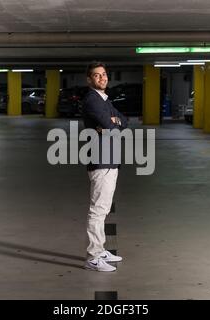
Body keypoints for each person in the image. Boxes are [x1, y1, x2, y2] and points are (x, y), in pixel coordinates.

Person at [82, 61, 128, 272]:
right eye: (97, 75)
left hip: (109, 159)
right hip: (101, 160)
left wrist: (113, 122)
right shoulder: (92, 100)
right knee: (98, 210)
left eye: (104, 74)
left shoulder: (104, 99)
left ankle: (100, 251)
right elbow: (110, 125)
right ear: (89, 79)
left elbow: (124, 121)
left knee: (104, 208)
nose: (102, 78)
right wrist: (112, 123)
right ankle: (93, 256)